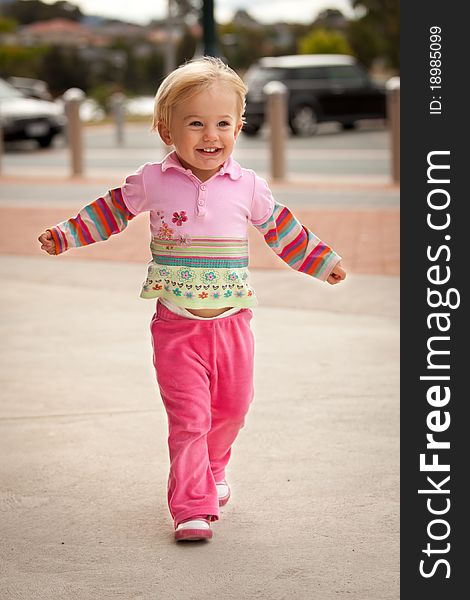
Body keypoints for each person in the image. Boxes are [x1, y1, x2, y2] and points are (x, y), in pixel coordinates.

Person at [38, 57, 346, 542]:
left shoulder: (248, 186)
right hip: (177, 328)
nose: (211, 135)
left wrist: (323, 263)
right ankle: (191, 508)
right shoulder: (152, 180)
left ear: (240, 126)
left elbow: (284, 231)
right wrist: (65, 235)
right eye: (196, 122)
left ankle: (214, 468)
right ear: (166, 130)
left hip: (233, 326)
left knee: (232, 412)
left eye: (223, 123)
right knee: (189, 421)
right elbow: (108, 211)